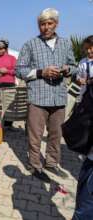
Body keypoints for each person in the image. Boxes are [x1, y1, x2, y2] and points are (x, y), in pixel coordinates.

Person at [15, 8, 77, 182]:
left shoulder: (65, 44)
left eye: (49, 23)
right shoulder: (30, 44)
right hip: (38, 98)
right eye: (42, 24)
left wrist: (66, 70)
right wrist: (42, 72)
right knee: (35, 135)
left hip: (58, 97)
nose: (46, 27)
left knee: (56, 134)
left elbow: (74, 66)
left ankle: (51, 163)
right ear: (39, 25)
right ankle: (35, 165)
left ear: (56, 24)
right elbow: (19, 70)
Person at [72, 35, 93, 220]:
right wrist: (80, 82)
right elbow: (77, 80)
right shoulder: (83, 63)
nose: (89, 51)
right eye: (87, 48)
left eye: (92, 48)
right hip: (83, 101)